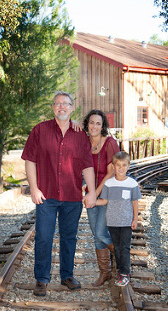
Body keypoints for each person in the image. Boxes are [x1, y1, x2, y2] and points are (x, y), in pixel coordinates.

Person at [22, 91, 97, 296]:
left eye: (66, 104)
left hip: (72, 196)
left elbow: (87, 165)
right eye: (58, 104)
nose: (61, 107)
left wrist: (91, 192)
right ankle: (41, 279)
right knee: (44, 237)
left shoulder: (80, 135)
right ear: (53, 107)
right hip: (46, 195)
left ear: (72, 108)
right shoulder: (39, 130)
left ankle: (67, 276)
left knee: (69, 238)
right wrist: (34, 188)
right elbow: (30, 160)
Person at [82, 109, 121, 286]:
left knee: (99, 232)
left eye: (98, 123)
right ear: (87, 124)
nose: (94, 126)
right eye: (91, 122)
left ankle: (121, 254)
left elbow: (111, 172)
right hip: (90, 193)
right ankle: (105, 273)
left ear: (103, 125)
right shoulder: (84, 142)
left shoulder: (110, 143)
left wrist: (94, 193)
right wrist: (85, 187)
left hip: (106, 193)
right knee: (96, 235)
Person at [96, 151, 141, 287]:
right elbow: (104, 201)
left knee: (125, 248)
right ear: (113, 166)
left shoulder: (132, 184)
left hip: (126, 222)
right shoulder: (109, 184)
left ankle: (125, 273)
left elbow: (135, 203)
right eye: (118, 165)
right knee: (117, 248)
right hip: (112, 221)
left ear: (128, 166)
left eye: (124, 165)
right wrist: (91, 201)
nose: (121, 168)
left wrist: (135, 219)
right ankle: (120, 271)